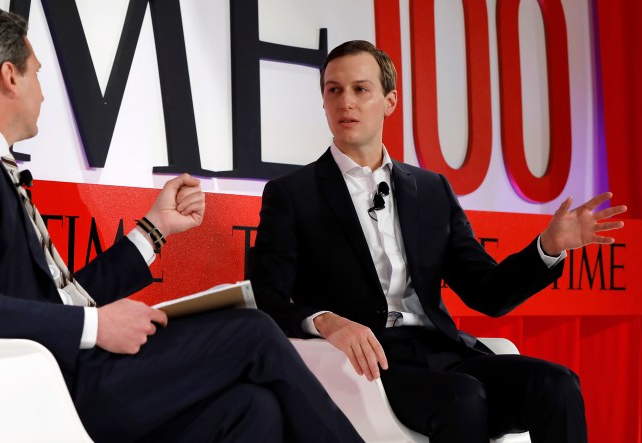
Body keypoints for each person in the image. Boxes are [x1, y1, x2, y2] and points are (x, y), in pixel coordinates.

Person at [0, 8, 365, 443]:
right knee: (255, 332)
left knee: (250, 410)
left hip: (60, 374)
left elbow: (52, 300)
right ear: (9, 76)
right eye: (36, 72)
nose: (42, 89)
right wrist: (94, 325)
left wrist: (153, 230)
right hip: (45, 390)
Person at [248, 40, 627, 443]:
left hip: (443, 351)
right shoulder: (292, 193)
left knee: (557, 383)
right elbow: (266, 296)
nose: (346, 102)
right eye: (333, 90)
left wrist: (547, 248)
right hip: (367, 364)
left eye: (361, 89)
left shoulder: (430, 189)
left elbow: (488, 293)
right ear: (323, 101)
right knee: (463, 399)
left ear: (390, 101)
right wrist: (325, 320)